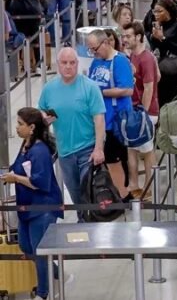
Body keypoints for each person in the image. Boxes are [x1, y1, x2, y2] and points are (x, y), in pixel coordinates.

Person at [2, 108, 64, 300]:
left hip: (42, 207)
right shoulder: (25, 145)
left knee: (39, 251)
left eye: (20, 124)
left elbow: (40, 183)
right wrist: (8, 175)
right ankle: (58, 273)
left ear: (32, 127)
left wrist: (16, 179)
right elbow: (16, 167)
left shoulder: (40, 151)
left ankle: (43, 293)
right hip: (26, 207)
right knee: (25, 245)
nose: (17, 128)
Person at [38, 48, 105, 210]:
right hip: (65, 152)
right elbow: (41, 110)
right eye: (64, 63)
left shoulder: (90, 87)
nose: (68, 66)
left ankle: (90, 225)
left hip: (87, 150)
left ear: (77, 64)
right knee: (75, 193)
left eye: (72, 63)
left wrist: (98, 149)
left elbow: (99, 118)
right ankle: (83, 220)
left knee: (88, 191)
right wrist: (44, 118)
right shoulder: (49, 89)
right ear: (58, 65)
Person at [86, 29, 133, 199]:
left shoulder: (120, 61)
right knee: (108, 159)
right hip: (100, 119)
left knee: (114, 159)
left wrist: (100, 93)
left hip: (115, 119)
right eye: (90, 50)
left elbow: (127, 90)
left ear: (105, 43)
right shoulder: (96, 62)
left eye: (94, 48)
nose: (93, 52)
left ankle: (123, 194)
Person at [121, 22, 160, 200]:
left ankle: (150, 188)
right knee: (131, 149)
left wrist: (142, 114)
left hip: (146, 113)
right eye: (123, 36)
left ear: (138, 37)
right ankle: (134, 184)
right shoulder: (133, 57)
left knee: (147, 150)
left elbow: (149, 87)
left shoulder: (146, 58)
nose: (124, 39)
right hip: (134, 111)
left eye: (128, 36)